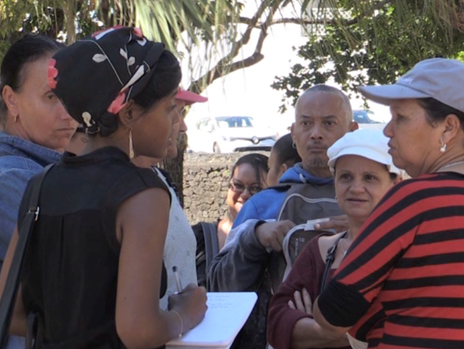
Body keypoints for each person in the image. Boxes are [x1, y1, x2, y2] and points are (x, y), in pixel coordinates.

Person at [313, 58, 464, 349]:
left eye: (400, 117)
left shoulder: (413, 198)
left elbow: (334, 313)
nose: (387, 130)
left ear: (449, 128)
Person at [0, 26, 206, 348]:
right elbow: (138, 330)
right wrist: (185, 314)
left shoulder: (40, 185)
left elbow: (12, 310)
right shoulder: (143, 194)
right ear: (129, 113)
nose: (176, 124)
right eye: (169, 108)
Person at [208, 84, 358, 349]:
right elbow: (220, 289)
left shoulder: (374, 202)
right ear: (293, 132)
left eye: (329, 123)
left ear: (352, 131)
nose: (315, 134)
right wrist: (254, 238)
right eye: (306, 123)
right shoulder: (263, 205)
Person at [268, 129, 400, 349]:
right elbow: (277, 322)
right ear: (335, 187)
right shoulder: (319, 250)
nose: (356, 188)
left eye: (370, 177)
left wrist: (320, 329)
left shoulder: (413, 253)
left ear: (394, 186)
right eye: (346, 176)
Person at [0, 34, 72, 270]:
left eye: (70, 96)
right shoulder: (13, 180)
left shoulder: (47, 171)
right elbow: (77, 273)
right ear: (12, 100)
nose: (67, 113)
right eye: (51, 97)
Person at [132, 88, 207, 310]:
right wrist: (182, 317)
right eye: (172, 110)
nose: (182, 126)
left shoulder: (158, 179)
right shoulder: (125, 192)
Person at [194, 153, 268, 287]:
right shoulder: (200, 237)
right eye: (238, 185)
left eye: (256, 188)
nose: (245, 194)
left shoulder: (273, 242)